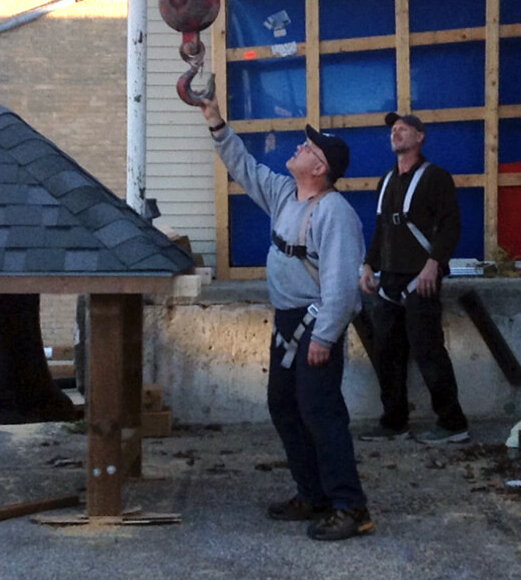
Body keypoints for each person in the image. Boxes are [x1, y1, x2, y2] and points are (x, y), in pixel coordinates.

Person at [200, 96, 373, 541]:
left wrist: (326, 336)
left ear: (320, 169)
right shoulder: (284, 194)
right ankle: (312, 493)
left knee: (321, 413)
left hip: (316, 325)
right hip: (288, 324)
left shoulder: (334, 213)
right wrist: (216, 122)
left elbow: (339, 282)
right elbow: (245, 168)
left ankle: (351, 506)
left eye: (308, 149)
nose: (299, 147)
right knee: (284, 406)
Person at [358, 112, 469, 444]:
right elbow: (382, 229)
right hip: (390, 282)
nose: (396, 133)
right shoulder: (386, 181)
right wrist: (368, 265)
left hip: (420, 280)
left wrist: (434, 264)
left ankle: (453, 424)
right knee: (387, 356)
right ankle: (394, 422)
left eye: (403, 129)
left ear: (420, 137)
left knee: (428, 353)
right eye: (393, 130)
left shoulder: (436, 178)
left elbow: (450, 226)